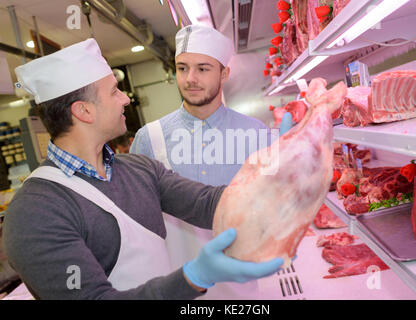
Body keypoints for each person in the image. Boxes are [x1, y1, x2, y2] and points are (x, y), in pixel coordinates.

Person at [1, 38, 283, 299]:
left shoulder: (138, 169)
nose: (126, 99)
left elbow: (209, 203)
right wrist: (194, 277)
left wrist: (291, 161)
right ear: (83, 111)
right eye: (114, 91)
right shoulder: (34, 212)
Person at [130, 24, 290, 299]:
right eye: (182, 68)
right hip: (176, 287)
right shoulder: (149, 138)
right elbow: (136, 220)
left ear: (224, 73)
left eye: (203, 68)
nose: (190, 78)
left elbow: (277, 207)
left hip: (242, 287)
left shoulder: (257, 135)